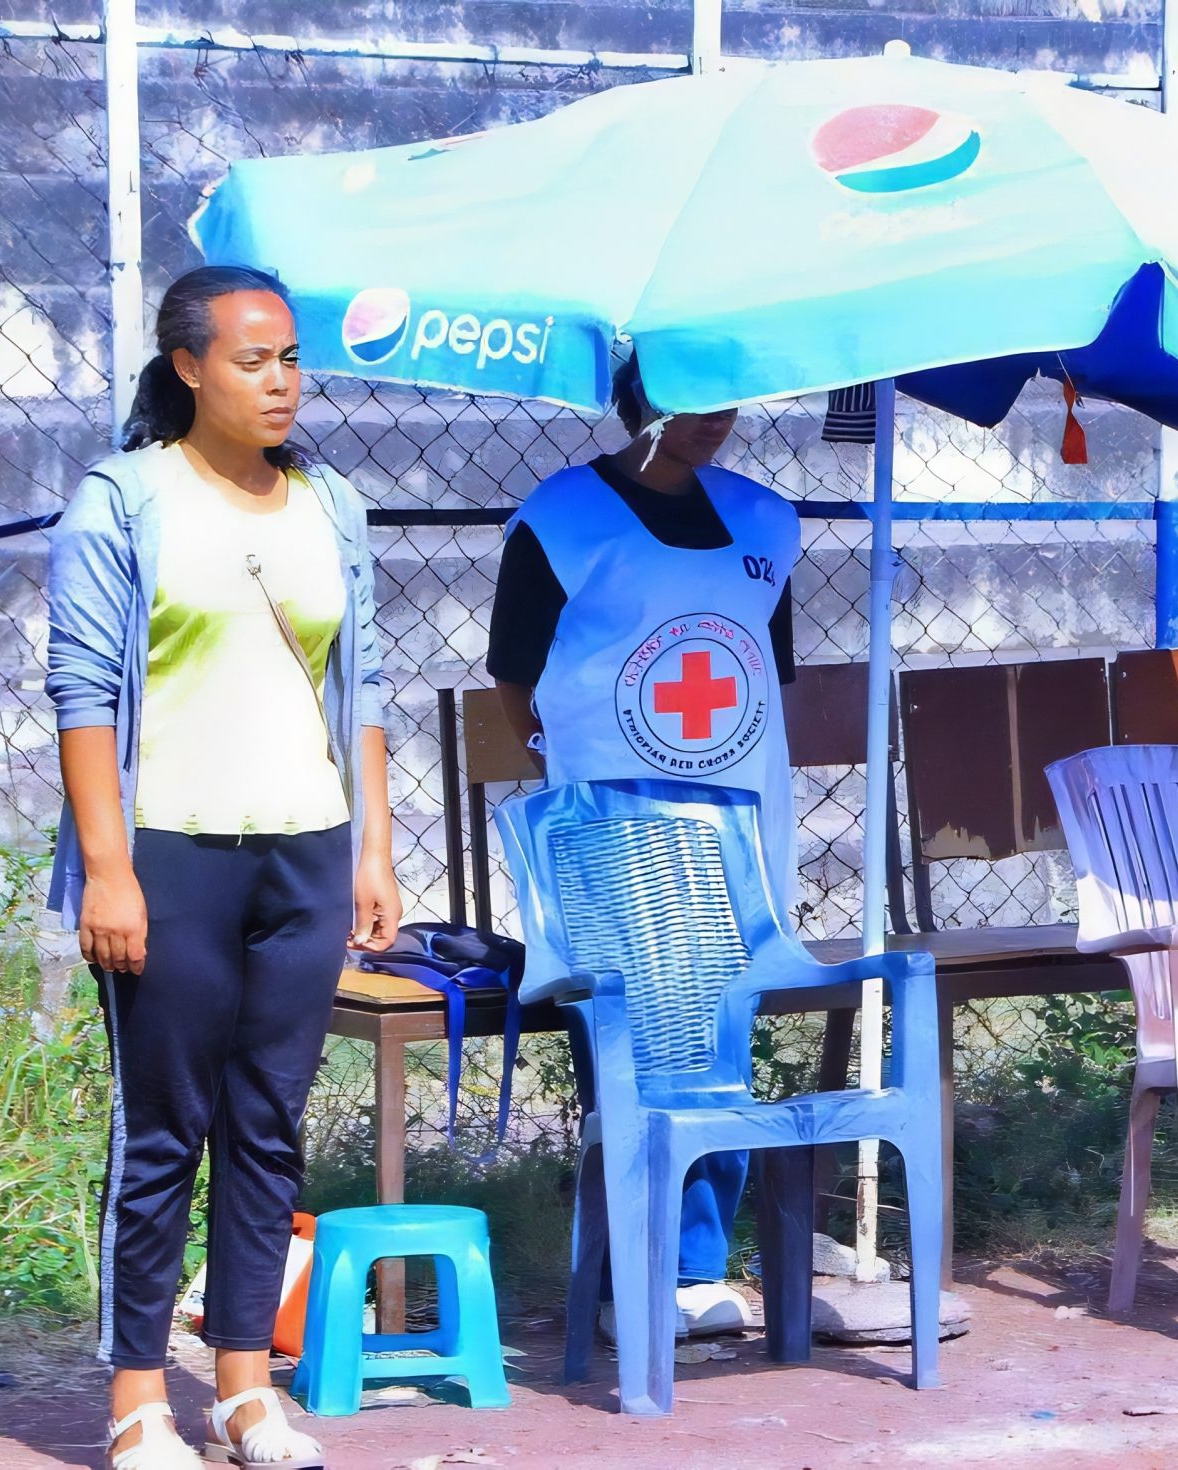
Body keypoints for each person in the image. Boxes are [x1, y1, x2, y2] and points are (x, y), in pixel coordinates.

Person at [48, 265, 400, 1468]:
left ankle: (245, 1389)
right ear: (190, 367)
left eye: (292, 358)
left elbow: (364, 690)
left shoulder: (330, 504)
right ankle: (139, 1397)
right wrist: (107, 868)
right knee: (164, 1129)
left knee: (270, 1122)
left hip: (304, 853)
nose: (282, 382)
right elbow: (83, 692)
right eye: (253, 360)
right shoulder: (124, 499)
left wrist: (372, 850)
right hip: (168, 855)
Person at [486, 372, 799, 1338]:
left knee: (721, 1046)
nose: (713, 419)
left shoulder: (768, 522)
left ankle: (699, 1268)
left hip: (740, 831)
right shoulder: (564, 516)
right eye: (691, 398)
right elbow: (512, 673)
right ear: (638, 402)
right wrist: (562, 762)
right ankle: (634, 1276)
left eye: (727, 399)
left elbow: (768, 670)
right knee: (630, 1045)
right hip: (609, 832)